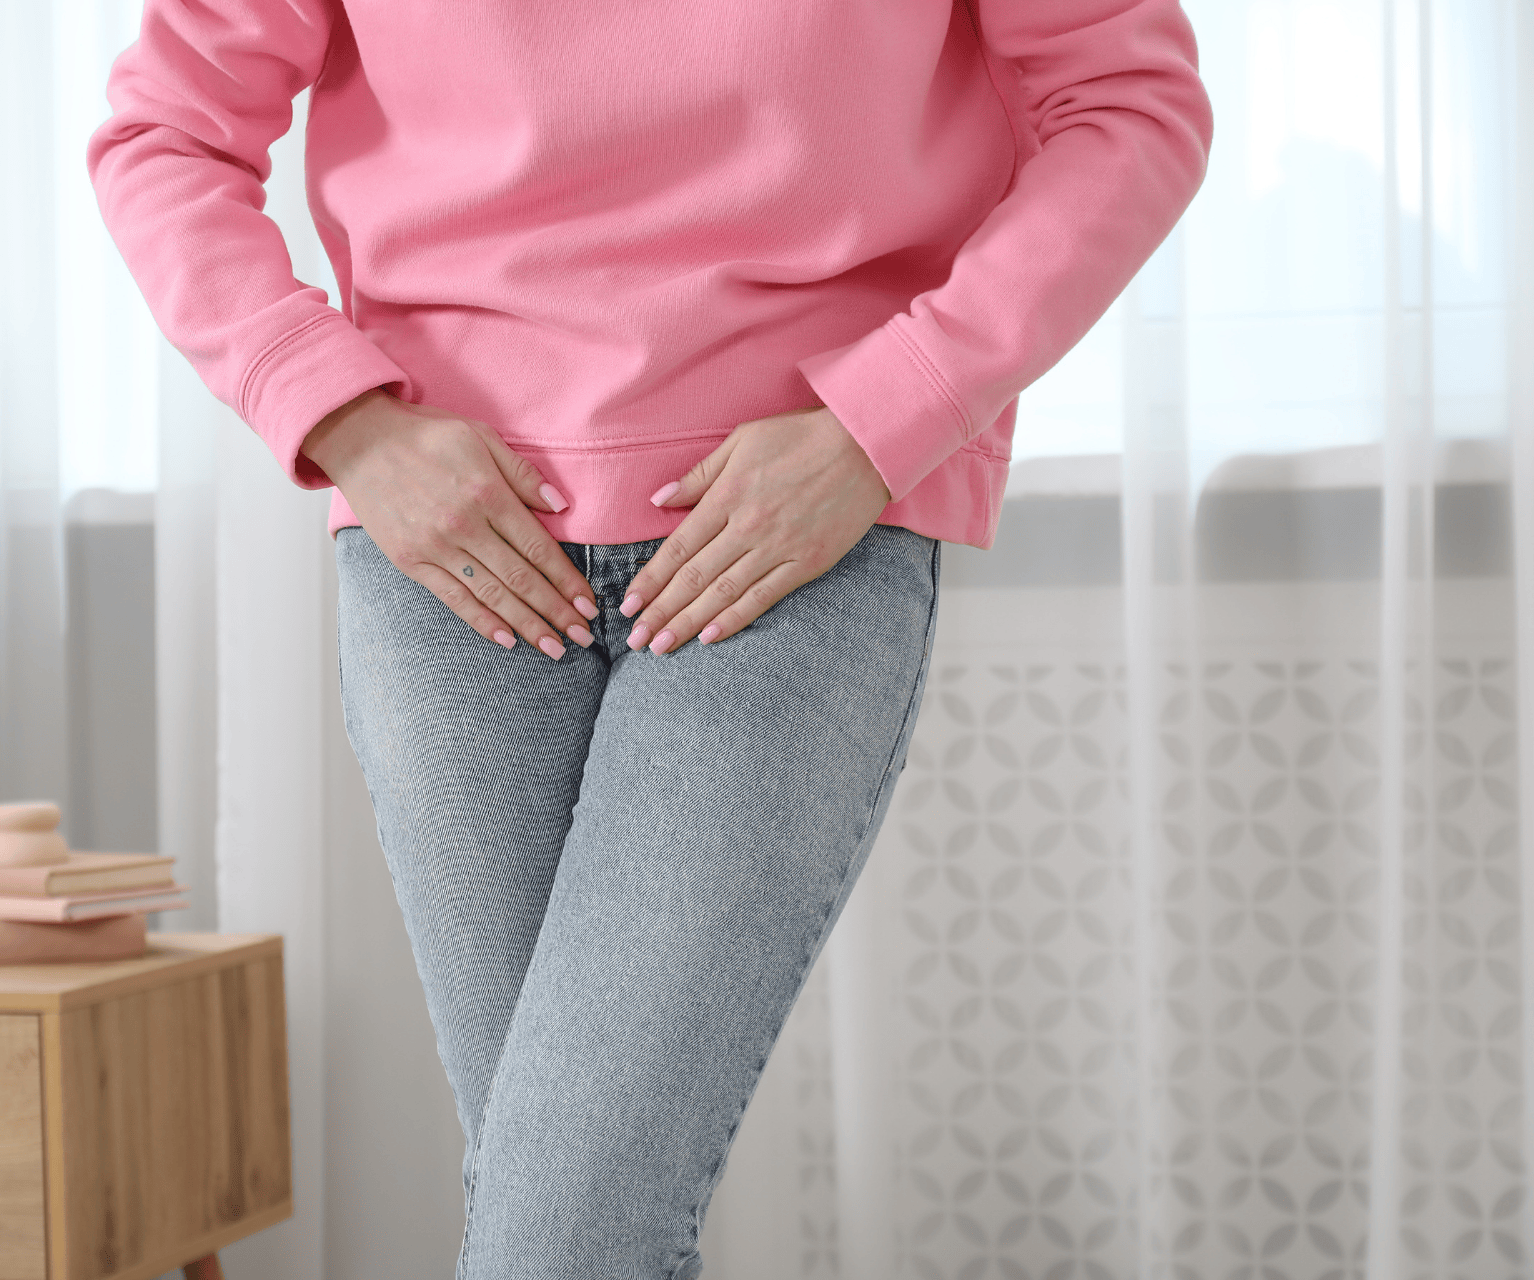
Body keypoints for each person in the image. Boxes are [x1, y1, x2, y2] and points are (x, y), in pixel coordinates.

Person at [90, 1, 1211, 1274]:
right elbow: (166, 133)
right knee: (555, 1204)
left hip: (798, 528)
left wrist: (885, 419)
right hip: (452, 538)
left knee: (566, 1219)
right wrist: (346, 420)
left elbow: (1131, 106)